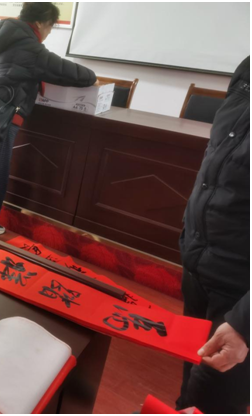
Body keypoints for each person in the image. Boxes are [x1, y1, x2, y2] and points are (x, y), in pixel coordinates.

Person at [0, 2, 97, 236]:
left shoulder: (5, 38)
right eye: (50, 27)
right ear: (39, 23)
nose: (49, 33)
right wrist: (93, 76)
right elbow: (68, 71)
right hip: (5, 117)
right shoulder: (30, 48)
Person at [176, 56, 249, 414]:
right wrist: (189, 238)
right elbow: (217, 159)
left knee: (212, 401)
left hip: (240, 296)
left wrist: (245, 324)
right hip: (201, 267)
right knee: (189, 386)